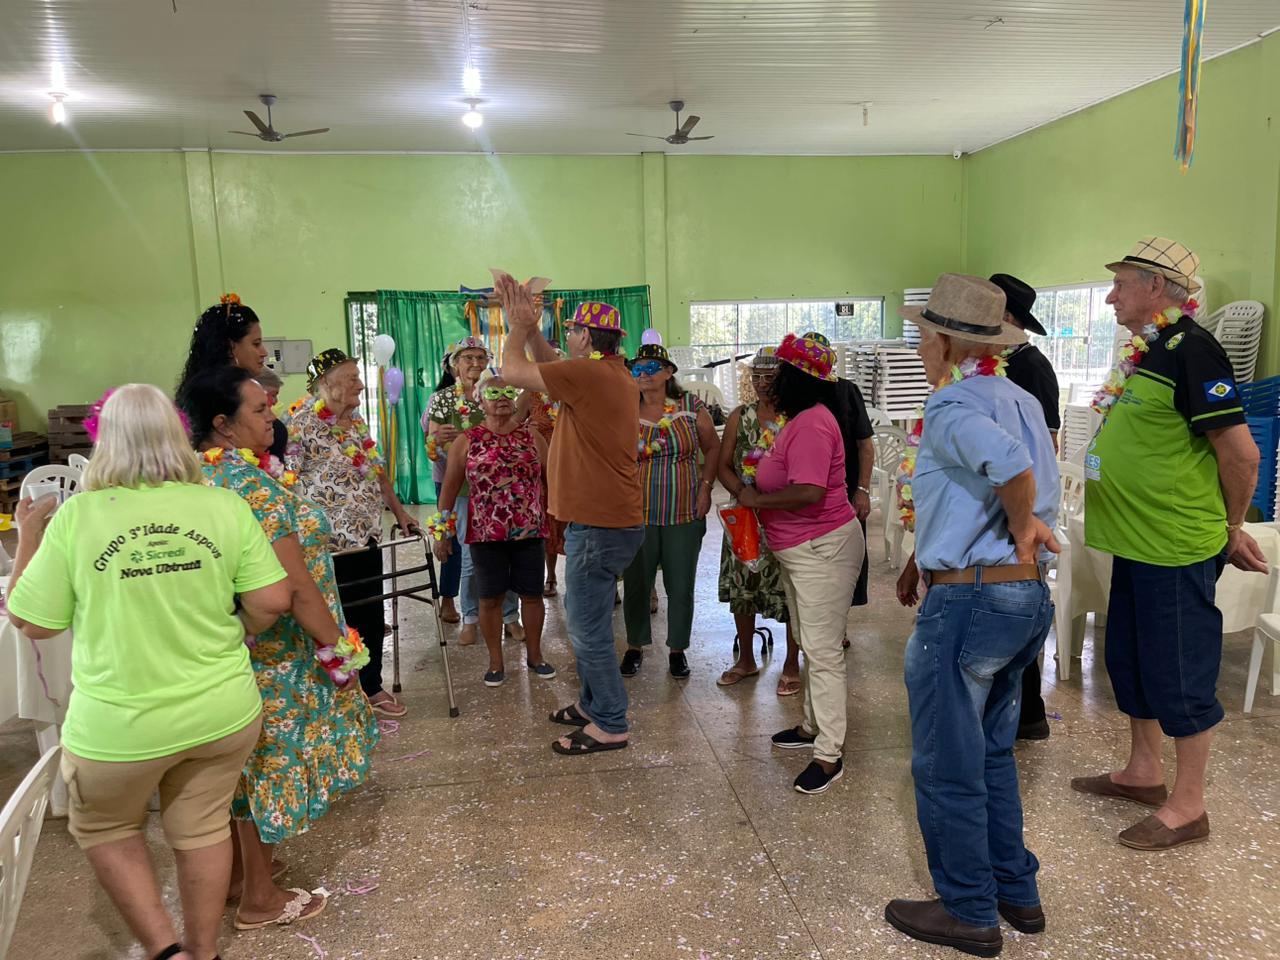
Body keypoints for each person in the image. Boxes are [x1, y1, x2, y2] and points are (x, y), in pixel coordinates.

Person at [6, 383, 289, 960]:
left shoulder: (78, 516)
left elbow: (32, 621)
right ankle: (203, 950)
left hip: (118, 728)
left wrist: (28, 536)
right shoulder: (221, 505)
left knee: (106, 827)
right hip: (220, 712)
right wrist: (233, 629)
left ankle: (165, 950)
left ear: (105, 441)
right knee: (203, 826)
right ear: (177, 435)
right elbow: (272, 601)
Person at [1072, 237, 1267, 851]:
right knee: (1130, 660)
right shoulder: (1150, 348)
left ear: (1156, 286)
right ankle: (1143, 771)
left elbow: (1241, 454)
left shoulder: (1194, 348)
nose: (1111, 296)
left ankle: (1189, 806)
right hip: (1135, 542)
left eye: (1120, 283)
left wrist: (1231, 529)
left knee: (1180, 673)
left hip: (1174, 545)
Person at [884, 273, 1058, 957]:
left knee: (946, 761)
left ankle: (968, 910)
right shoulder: (1019, 399)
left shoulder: (953, 403)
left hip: (972, 601)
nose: (919, 346)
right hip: (1020, 599)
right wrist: (922, 560)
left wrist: (1019, 530)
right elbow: (984, 485)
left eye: (923, 335)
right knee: (990, 754)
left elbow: (1011, 469)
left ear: (947, 341)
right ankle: (1015, 888)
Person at [182, 366, 379, 929]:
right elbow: (294, 587)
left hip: (231, 646)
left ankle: (240, 875)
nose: (273, 415)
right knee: (268, 766)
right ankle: (259, 897)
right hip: (279, 652)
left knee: (241, 768)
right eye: (259, 410)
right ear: (223, 424)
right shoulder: (251, 488)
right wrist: (338, 650)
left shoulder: (201, 476)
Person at [496, 277, 644, 756]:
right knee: (591, 622)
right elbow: (550, 364)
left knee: (587, 630)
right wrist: (534, 331)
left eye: (572, 331)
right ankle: (592, 703)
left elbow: (513, 370)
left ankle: (611, 722)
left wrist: (519, 326)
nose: (567, 338)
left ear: (584, 338)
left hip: (600, 526)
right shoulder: (603, 372)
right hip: (606, 521)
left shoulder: (591, 374)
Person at [736, 334, 863, 795]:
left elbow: (809, 491)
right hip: (802, 550)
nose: (770, 381)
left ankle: (829, 755)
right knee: (810, 641)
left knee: (823, 651)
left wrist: (755, 498)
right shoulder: (800, 419)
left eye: (780, 373)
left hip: (821, 549)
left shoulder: (811, 423)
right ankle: (812, 726)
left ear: (796, 379)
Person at [285, 348, 417, 719]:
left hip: (366, 535)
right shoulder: (299, 422)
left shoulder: (355, 420)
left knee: (371, 614)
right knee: (334, 619)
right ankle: (339, 692)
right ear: (326, 384)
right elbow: (286, 483)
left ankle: (371, 687)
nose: (360, 385)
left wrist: (400, 512)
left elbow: (376, 471)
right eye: (352, 378)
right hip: (328, 544)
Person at [432, 372, 555, 685]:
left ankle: (536, 656)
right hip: (486, 533)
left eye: (507, 393)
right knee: (489, 599)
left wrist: (557, 524)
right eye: (493, 393)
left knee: (531, 595)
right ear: (480, 401)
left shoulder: (532, 437)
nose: (502, 398)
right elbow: (449, 490)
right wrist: (442, 533)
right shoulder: (467, 440)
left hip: (529, 531)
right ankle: (496, 663)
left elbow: (550, 483)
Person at [988, 273, 1060, 742]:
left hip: (1022, 512)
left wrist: (1026, 515)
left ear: (1007, 319)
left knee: (1016, 615)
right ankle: (1019, 711)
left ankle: (1027, 712)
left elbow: (1044, 447)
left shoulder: (1030, 368)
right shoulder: (994, 366)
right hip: (1004, 506)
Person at [618, 342, 719, 679]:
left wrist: (706, 487)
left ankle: (678, 650)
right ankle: (635, 646)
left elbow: (712, 447)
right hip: (637, 512)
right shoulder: (624, 407)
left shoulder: (690, 406)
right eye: (637, 368)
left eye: (651, 367)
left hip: (684, 509)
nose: (643, 374)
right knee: (636, 583)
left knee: (680, 583)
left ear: (668, 372)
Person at [424, 337, 522, 641]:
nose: (475, 364)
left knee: (507, 554)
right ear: (455, 364)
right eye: (468, 358)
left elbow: (513, 427)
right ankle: (469, 618)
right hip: (463, 488)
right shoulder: (442, 399)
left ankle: (510, 616)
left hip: (501, 489)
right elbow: (432, 445)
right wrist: (439, 442)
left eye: (481, 358)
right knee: (470, 557)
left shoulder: (495, 390)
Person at [715, 346, 800, 696]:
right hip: (746, 514)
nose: (762, 383)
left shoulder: (796, 417)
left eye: (770, 376)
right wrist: (742, 492)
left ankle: (792, 663)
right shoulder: (740, 415)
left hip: (786, 514)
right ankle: (746, 660)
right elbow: (723, 465)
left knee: (790, 587)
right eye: (757, 376)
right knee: (743, 585)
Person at [802, 331, 875, 615]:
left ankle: (839, 624)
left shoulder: (846, 391)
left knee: (846, 562)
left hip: (845, 493)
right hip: (804, 496)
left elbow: (865, 445)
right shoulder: (793, 395)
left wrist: (863, 490)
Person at [176, 293, 287, 459]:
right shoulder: (212, 396)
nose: (264, 352)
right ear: (230, 347)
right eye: (256, 344)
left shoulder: (248, 389)